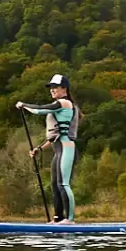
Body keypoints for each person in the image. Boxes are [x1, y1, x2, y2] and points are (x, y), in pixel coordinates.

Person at [16, 73, 80, 222]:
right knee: (55, 185)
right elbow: (53, 137)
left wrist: (23, 105)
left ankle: (70, 220)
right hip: (59, 149)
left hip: (67, 148)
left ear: (64, 88)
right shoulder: (58, 106)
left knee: (63, 184)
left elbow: (40, 110)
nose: (52, 90)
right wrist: (39, 149)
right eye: (51, 87)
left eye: (55, 87)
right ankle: (58, 219)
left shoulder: (64, 103)